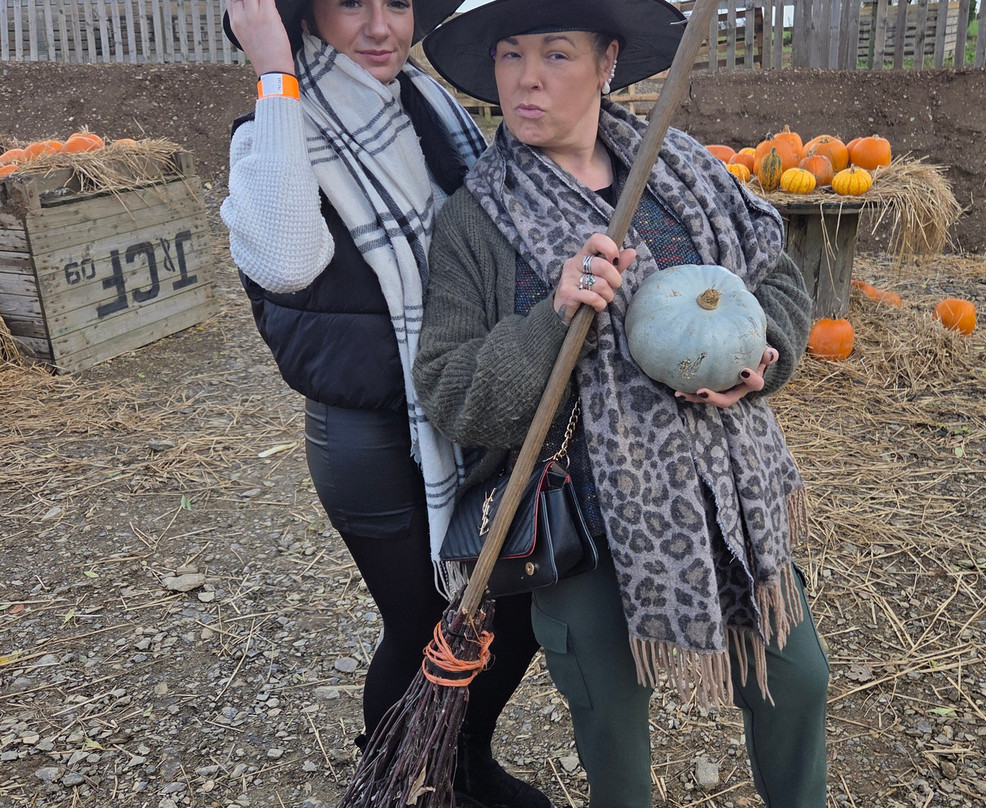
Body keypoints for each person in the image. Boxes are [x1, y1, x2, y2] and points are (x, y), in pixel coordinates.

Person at [414, 0, 830, 806]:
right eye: (510, 55)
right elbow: (451, 390)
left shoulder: (683, 172)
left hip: (724, 492)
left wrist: (762, 355)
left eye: (556, 55)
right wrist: (553, 317)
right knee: (613, 737)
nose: (526, 80)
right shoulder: (475, 221)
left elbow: (773, 276)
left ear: (608, 63)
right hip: (584, 515)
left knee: (799, 679)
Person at [218, 2, 552, 806]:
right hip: (369, 438)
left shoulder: (428, 109)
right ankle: (396, 779)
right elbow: (287, 263)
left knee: (512, 611)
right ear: (305, 16)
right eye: (351, 3)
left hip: (463, 406)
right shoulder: (272, 131)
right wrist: (274, 70)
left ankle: (462, 761)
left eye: (397, 3)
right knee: (424, 627)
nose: (380, 28)